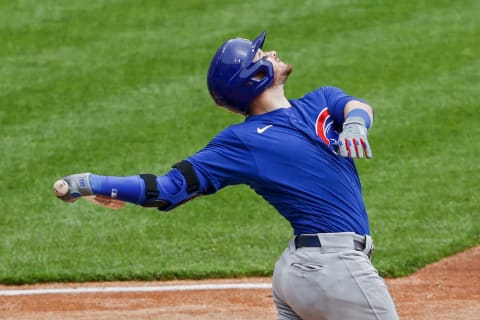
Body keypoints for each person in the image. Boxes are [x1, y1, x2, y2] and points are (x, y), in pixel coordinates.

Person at [55, 31, 399, 320]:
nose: (273, 52)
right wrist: (93, 183)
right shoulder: (241, 142)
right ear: (254, 77)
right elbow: (167, 189)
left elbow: (355, 106)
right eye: (262, 54)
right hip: (333, 270)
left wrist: (355, 123)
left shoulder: (318, 101)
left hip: (299, 272)